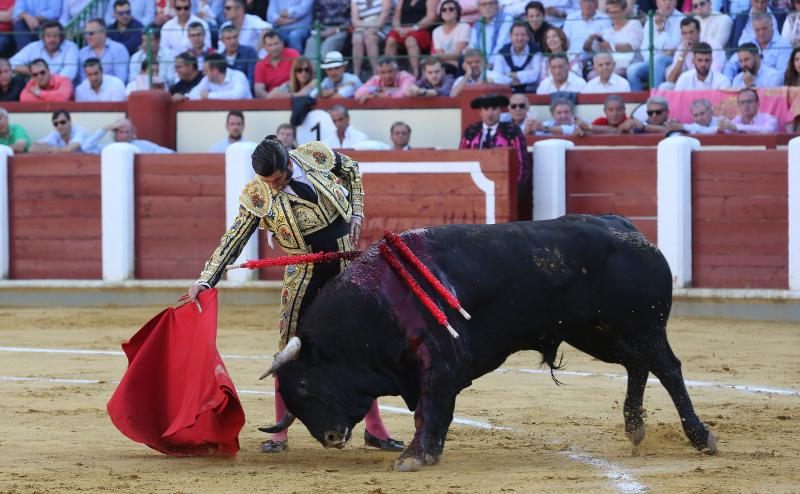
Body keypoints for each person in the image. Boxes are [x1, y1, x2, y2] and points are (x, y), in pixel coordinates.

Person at [186, 136, 404, 454]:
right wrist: (207, 279)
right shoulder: (257, 195)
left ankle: (375, 430)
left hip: (346, 267)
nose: (272, 188)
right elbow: (233, 238)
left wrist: (356, 213)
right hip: (304, 275)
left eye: (275, 180)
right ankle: (279, 433)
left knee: (359, 347)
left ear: (289, 164)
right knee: (288, 351)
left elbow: (353, 169)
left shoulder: (315, 155)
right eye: (267, 182)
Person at [459, 93, 532, 220]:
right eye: (486, 109)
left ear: (500, 111)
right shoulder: (471, 131)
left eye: (494, 109)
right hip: (475, 190)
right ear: (480, 112)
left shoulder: (512, 131)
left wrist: (515, 192)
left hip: (503, 189)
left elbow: (522, 163)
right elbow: (461, 160)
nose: (490, 113)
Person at [626, 0, 683, 91]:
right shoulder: (651, 20)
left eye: (671, 0)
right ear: (657, 3)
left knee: (658, 60)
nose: (667, 3)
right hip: (651, 61)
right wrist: (661, 53)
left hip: (673, 61)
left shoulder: (681, 20)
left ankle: (655, 97)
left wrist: (660, 28)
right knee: (632, 70)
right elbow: (644, 49)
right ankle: (639, 103)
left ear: (676, 2)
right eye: (663, 0)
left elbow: (673, 47)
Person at [724, 14, 791, 85]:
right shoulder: (749, 42)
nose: (761, 33)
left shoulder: (783, 45)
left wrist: (753, 84)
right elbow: (731, 65)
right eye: (757, 30)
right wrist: (727, 84)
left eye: (764, 28)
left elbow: (783, 75)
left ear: (772, 26)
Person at [662, 17, 724, 88]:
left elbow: (714, 75)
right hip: (691, 84)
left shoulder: (714, 46)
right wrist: (683, 55)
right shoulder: (682, 47)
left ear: (699, 31)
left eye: (691, 32)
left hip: (711, 85)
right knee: (665, 86)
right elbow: (671, 80)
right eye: (684, 33)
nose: (688, 36)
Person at [583, 0, 640, 76]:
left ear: (624, 11)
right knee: (591, 75)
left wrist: (610, 46)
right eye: (610, 12)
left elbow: (630, 47)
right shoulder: (606, 31)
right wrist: (590, 39)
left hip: (628, 64)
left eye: (616, 12)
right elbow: (590, 50)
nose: (613, 15)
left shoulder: (634, 24)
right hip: (607, 66)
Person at [9, 21, 79, 81]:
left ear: (61, 37)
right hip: (38, 86)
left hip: (61, 87)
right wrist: (32, 71)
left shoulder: (70, 47)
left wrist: (47, 80)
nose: (52, 40)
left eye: (55, 36)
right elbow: (12, 63)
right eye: (48, 36)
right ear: (42, 37)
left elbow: (70, 73)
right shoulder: (34, 46)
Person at [386, 0, 438, 78]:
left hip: (421, 29)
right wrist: (398, 28)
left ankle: (416, 72)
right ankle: (389, 70)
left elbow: (431, 17)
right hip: (402, 29)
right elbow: (396, 17)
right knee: (391, 40)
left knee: (410, 41)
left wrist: (413, 28)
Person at [488, 21, 542, 93]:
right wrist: (522, 78)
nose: (519, 39)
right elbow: (497, 78)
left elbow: (535, 76)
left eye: (523, 35)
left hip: (531, 92)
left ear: (528, 37)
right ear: (510, 36)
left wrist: (513, 74)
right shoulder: (502, 53)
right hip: (507, 93)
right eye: (516, 35)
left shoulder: (536, 51)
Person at [78, 18, 131, 83]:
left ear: (103, 33)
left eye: (91, 33)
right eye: (86, 33)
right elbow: (83, 81)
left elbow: (121, 79)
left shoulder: (118, 49)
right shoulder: (82, 53)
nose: (87, 37)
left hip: (113, 90)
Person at [82, 117, 175, 153]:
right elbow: (86, 147)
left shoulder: (144, 145)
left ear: (133, 133)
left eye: (127, 132)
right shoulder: (108, 147)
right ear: (115, 133)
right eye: (120, 132)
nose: (124, 136)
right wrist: (105, 129)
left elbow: (170, 154)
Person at [563, 0, 610, 69]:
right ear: (580, 3)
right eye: (585, 1)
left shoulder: (605, 19)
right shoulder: (571, 18)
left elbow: (606, 44)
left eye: (591, 1)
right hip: (573, 59)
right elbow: (565, 42)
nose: (588, 4)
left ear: (596, 3)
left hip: (595, 60)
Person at [351, 0, 391, 78]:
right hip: (364, 26)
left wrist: (374, 29)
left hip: (382, 26)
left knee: (370, 38)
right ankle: (356, 75)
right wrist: (368, 26)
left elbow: (385, 14)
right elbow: (355, 20)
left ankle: (376, 74)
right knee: (357, 39)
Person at [254, 30, 300, 97]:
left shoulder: (293, 54)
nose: (274, 48)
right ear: (265, 48)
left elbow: (301, 77)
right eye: (270, 45)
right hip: (271, 101)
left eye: (276, 43)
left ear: (282, 43)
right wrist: (271, 98)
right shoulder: (260, 64)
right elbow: (259, 90)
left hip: (293, 95)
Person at [468, 0, 514, 65]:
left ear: (497, 5)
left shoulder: (506, 19)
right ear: (479, 8)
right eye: (484, 4)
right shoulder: (477, 24)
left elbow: (502, 45)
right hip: (479, 65)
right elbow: (473, 46)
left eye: (491, 3)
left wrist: (489, 63)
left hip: (500, 64)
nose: (487, 7)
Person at [432, 0, 470, 72]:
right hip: (445, 63)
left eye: (451, 9)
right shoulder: (436, 31)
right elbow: (439, 53)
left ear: (457, 12)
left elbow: (457, 54)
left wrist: (441, 58)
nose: (447, 11)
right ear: (441, 14)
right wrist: (447, 60)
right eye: (444, 10)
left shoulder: (464, 27)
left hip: (460, 62)